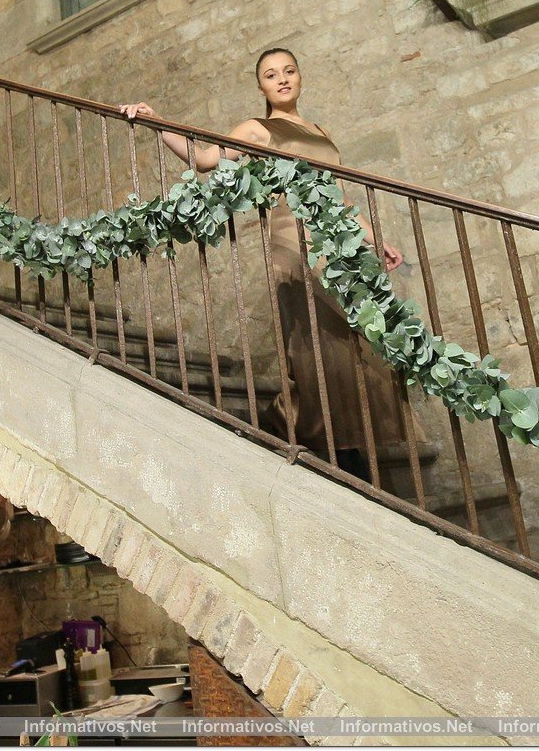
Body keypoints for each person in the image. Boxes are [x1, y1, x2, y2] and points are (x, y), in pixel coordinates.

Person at [121, 49, 413, 481]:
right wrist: (156, 121)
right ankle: (302, 434)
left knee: (357, 345)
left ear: (301, 77)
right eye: (271, 75)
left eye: (289, 71)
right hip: (295, 240)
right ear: (260, 86)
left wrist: (376, 239)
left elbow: (339, 198)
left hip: (338, 242)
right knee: (316, 345)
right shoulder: (257, 129)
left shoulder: (319, 131)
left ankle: (351, 447)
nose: (282, 79)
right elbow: (203, 160)